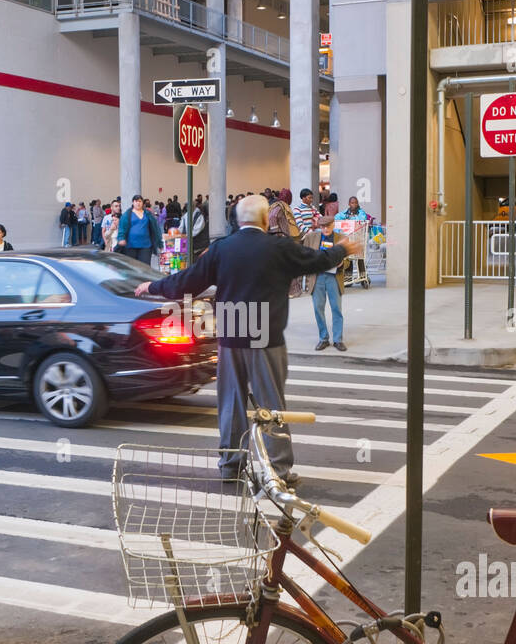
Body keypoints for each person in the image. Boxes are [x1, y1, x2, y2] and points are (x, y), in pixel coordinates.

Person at [133, 195, 357, 482]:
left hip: (231, 335)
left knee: (231, 403)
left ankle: (231, 464)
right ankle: (277, 470)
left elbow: (186, 281)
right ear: (267, 220)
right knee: (272, 406)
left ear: (238, 221)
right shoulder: (279, 247)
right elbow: (318, 260)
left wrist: (152, 285)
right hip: (266, 337)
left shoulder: (221, 249)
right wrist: (342, 249)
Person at [304, 216, 346, 351]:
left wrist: (342, 263)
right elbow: (304, 256)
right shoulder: (311, 237)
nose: (325, 229)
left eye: (328, 226)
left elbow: (349, 260)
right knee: (318, 308)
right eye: (322, 227)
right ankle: (323, 338)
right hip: (317, 277)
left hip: (334, 277)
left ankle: (338, 340)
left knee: (336, 309)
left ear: (333, 224)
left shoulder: (341, 238)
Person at [116, 194, 162, 265]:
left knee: (145, 267)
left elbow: (155, 228)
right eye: (136, 201)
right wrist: (121, 238)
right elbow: (122, 227)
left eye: (140, 201)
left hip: (145, 246)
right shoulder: (127, 214)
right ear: (133, 203)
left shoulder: (147, 214)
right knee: (132, 267)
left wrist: (160, 243)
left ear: (142, 203)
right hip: (130, 246)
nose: (138, 203)